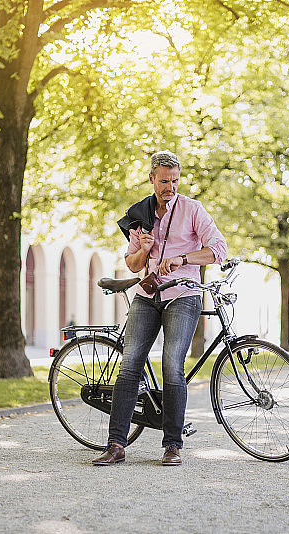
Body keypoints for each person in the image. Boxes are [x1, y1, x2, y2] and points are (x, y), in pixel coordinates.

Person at [92, 150, 228, 466]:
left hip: (183, 294)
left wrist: (183, 258)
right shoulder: (140, 215)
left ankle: (172, 446)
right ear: (152, 178)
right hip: (148, 293)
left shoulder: (193, 210)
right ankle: (116, 445)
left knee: (172, 364)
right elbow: (132, 263)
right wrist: (146, 251)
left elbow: (218, 250)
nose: (171, 187)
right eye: (165, 181)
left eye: (175, 180)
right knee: (130, 364)